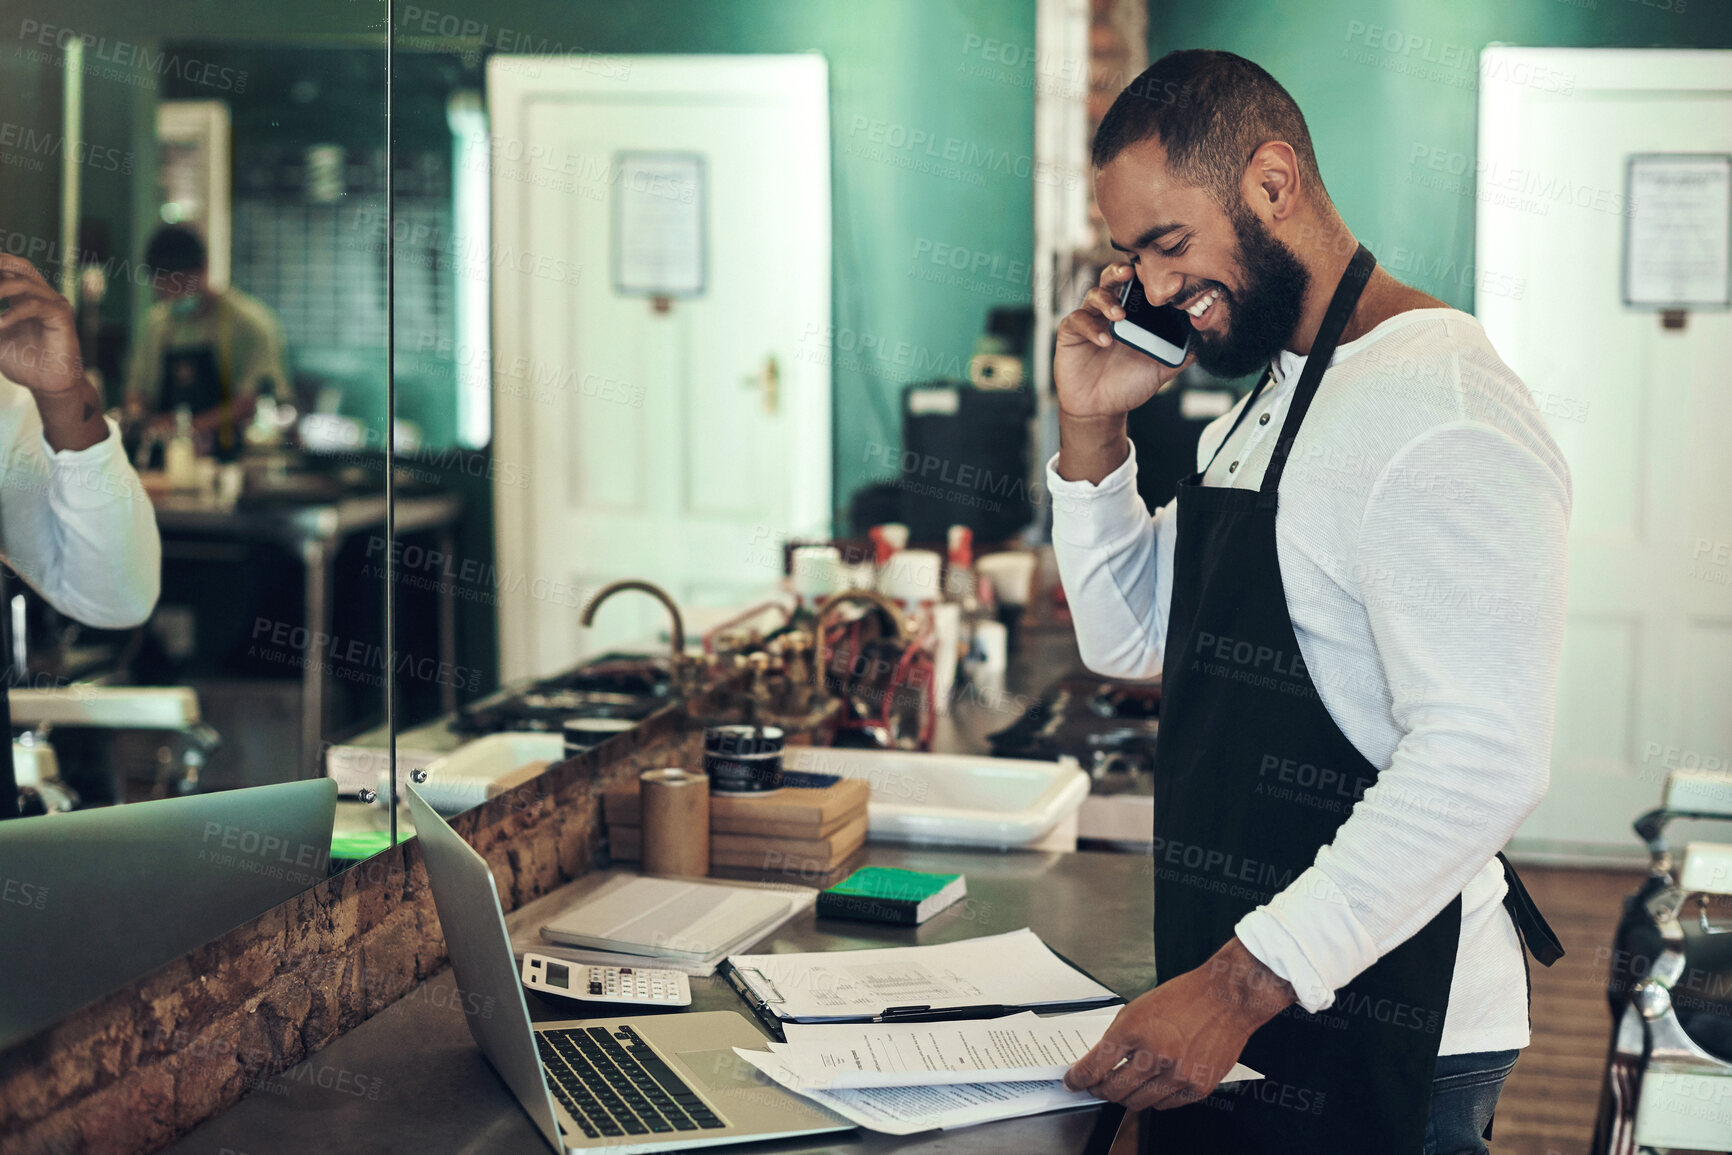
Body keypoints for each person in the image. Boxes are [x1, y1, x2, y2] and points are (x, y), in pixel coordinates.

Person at [1050, 51, 1570, 1154]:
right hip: (1254, 990)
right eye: (1128, 258)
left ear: (1271, 183)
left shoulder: (1439, 409)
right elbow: (1133, 636)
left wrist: (1239, 985)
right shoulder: (1276, 395)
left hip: (1382, 1019)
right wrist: (1095, 431)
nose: (1146, 290)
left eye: (1167, 244)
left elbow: (1484, 755)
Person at [123, 225, 288, 460]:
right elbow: (138, 391)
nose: (173, 295)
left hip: (236, 457)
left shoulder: (250, 324)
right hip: (170, 460)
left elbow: (252, 401)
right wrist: (139, 417)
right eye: (164, 288)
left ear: (204, 269)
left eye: (179, 286)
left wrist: (186, 428)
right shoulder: (155, 325)